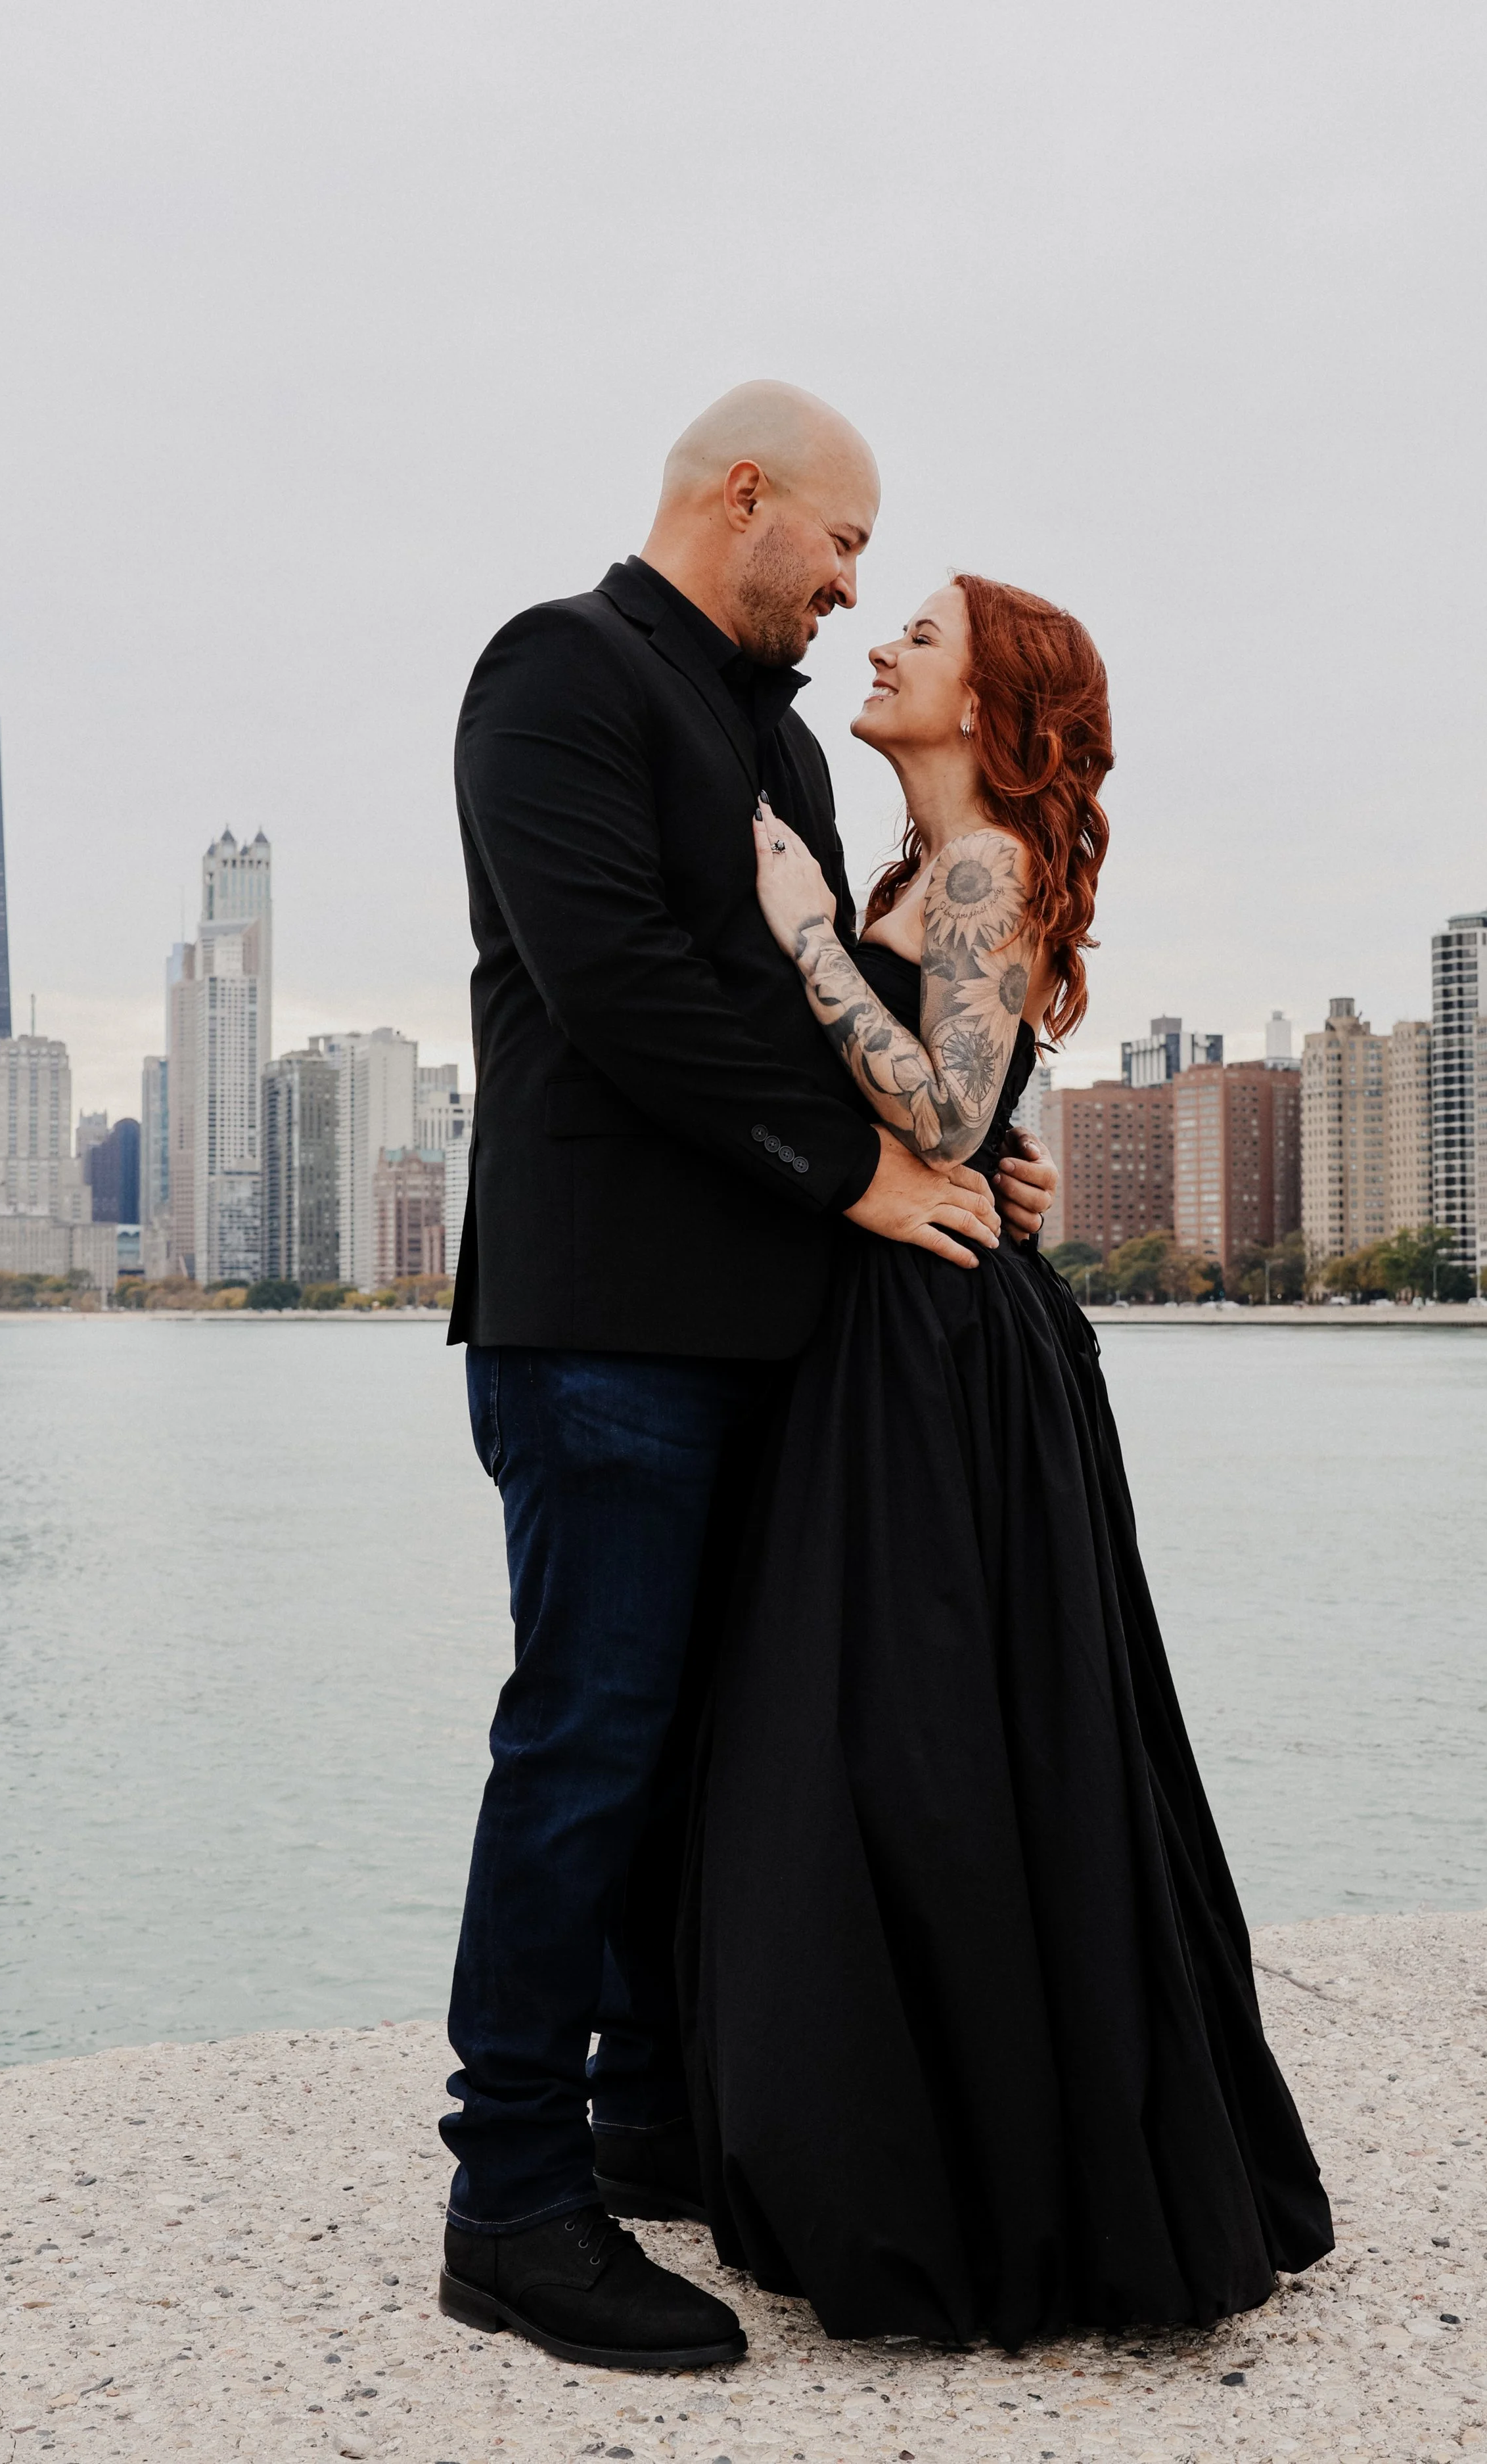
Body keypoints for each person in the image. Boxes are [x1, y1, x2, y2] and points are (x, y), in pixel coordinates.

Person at [436, 384, 1061, 2371]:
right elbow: (620, 982)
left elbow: (826, 1007)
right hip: (600, 1323)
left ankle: (643, 2113)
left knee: (697, 1747)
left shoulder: (782, 736)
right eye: (843, 546)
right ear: (743, 496)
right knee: (587, 1739)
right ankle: (511, 2197)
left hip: (762, 1332)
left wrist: (973, 1145)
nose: (854, 585)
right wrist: (857, 1173)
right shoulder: (557, 670)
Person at [681, 573, 1335, 2346]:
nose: (881, 649)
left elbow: (946, 1111)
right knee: (896, 1742)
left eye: (920, 637)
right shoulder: (923, 870)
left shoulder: (971, 869)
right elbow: (986, 1110)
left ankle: (978, 2187)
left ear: (984, 707)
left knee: (928, 1747)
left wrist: (802, 929)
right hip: (901, 1329)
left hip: (938, 1358)